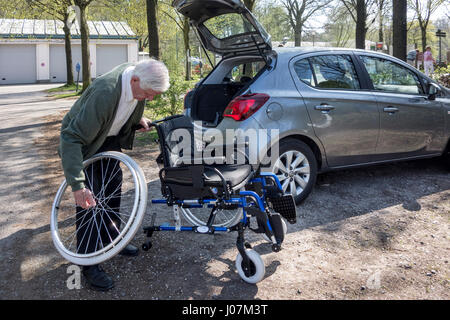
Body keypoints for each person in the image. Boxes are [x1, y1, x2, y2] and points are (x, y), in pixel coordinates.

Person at [59, 59, 170, 291]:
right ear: (135, 80)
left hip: (107, 139)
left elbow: (125, 108)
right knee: (91, 200)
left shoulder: (137, 80)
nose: (150, 99)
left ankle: (111, 240)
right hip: (84, 143)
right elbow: (71, 138)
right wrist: (77, 185)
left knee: (113, 186)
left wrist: (136, 120)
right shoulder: (105, 92)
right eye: (149, 94)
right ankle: (89, 263)